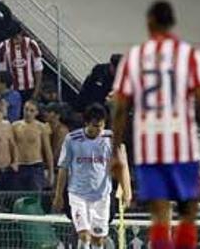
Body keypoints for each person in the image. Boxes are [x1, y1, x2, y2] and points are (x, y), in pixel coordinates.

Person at [110, 0, 200, 249]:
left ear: (150, 22)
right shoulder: (189, 55)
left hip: (150, 149)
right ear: (172, 22)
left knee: (160, 217)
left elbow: (120, 109)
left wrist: (115, 152)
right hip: (182, 147)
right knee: (188, 213)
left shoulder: (134, 58)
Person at [54, 104, 131, 249]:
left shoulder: (110, 139)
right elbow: (63, 168)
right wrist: (58, 195)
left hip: (101, 196)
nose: (98, 130)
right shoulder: (72, 140)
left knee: (98, 240)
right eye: (95, 126)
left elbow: (121, 166)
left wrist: (127, 191)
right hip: (78, 195)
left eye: (101, 126)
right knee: (84, 234)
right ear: (86, 123)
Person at [12, 100, 54, 190]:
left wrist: (51, 173)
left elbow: (48, 151)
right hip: (19, 166)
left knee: (35, 198)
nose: (28, 113)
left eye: (31, 111)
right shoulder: (15, 126)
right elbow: (11, 147)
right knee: (18, 198)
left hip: (35, 166)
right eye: (26, 109)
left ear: (36, 112)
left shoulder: (41, 127)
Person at [45, 102, 70, 167]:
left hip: (59, 167)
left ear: (57, 115)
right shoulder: (45, 127)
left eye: (49, 112)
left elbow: (56, 155)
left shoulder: (62, 131)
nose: (45, 114)